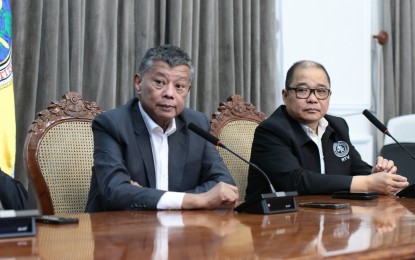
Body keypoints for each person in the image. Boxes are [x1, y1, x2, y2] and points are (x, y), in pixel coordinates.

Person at [86, 44, 238, 212]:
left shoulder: (196, 124)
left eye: (179, 86)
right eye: (159, 82)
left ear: (188, 90)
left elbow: (223, 184)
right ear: (138, 82)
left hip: (180, 231)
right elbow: (115, 192)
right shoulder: (111, 124)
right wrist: (197, 200)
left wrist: (146, 196)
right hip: (120, 230)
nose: (169, 94)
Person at [245, 60, 409, 200]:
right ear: (285, 95)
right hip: (274, 223)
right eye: (302, 90)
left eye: (321, 91)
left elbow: (356, 167)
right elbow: (295, 182)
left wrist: (374, 174)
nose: (313, 99)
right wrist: (366, 183)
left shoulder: (337, 126)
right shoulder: (271, 130)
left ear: (329, 95)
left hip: (327, 219)